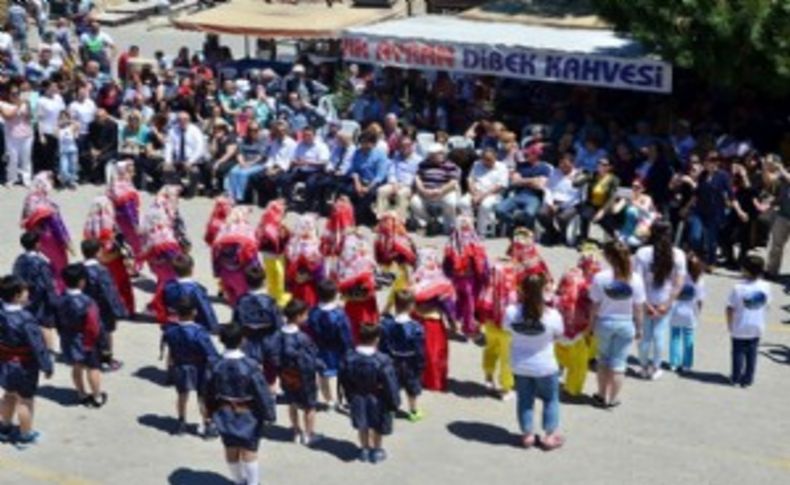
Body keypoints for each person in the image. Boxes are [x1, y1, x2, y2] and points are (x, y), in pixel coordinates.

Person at [203, 324, 276, 485]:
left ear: (221, 340)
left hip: (223, 412)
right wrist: (270, 414)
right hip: (249, 413)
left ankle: (237, 480)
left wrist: (208, 412)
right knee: (249, 450)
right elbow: (261, 392)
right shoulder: (251, 365)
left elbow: (207, 391)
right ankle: (253, 483)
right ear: (243, 341)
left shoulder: (214, 364)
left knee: (230, 447)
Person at [505, 274, 565, 450]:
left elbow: (506, 328)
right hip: (545, 365)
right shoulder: (552, 315)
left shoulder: (511, 312)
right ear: (544, 291)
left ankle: (527, 435)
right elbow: (559, 334)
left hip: (520, 364)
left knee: (524, 399)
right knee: (550, 399)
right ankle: (549, 435)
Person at [589, 241, 646, 408]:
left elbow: (595, 305)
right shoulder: (635, 279)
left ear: (608, 257)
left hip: (605, 322)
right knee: (619, 364)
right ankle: (613, 399)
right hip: (626, 322)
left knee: (603, 361)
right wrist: (640, 327)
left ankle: (601, 394)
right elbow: (638, 307)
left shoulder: (600, 277)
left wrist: (591, 325)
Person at [0, 275, 54, 449]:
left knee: (8, 394)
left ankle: (5, 426)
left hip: (4, 363)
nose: (28, 294)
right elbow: (37, 346)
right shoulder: (26, 319)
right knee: (25, 400)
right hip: (24, 366)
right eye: (25, 292)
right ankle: (25, 435)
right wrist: (47, 365)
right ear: (16, 296)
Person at [339, 323, 401, 464]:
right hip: (377, 398)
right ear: (377, 339)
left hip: (357, 396)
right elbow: (390, 384)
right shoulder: (382, 360)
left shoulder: (349, 357)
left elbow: (344, 380)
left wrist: (349, 396)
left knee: (362, 424)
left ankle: (364, 449)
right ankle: (377, 450)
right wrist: (394, 402)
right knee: (378, 425)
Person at [634, 221, 686, 380]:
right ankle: (656, 367)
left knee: (644, 335)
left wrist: (645, 304)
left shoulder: (642, 253)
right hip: (665, 301)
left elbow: (638, 280)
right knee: (659, 335)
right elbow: (679, 283)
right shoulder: (678, 254)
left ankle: (643, 366)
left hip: (645, 300)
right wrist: (667, 304)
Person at [162, 296, 220, 437]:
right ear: (194, 312)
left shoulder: (170, 331)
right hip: (199, 367)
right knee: (202, 397)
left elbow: (170, 351)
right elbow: (210, 353)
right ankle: (207, 424)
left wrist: (169, 367)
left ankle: (181, 421)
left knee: (182, 395)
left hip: (181, 366)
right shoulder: (199, 332)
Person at [54, 264, 107, 408]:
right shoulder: (88, 301)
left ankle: (81, 393)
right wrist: (103, 343)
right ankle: (97, 396)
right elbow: (95, 325)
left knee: (76, 366)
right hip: (86, 339)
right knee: (93, 368)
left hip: (68, 337)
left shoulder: (60, 299)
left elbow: (56, 320)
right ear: (82, 281)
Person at [553, 246, 602, 397]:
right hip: (581, 329)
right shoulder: (590, 284)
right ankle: (572, 388)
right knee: (578, 363)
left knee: (559, 354)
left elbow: (556, 294)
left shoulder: (568, 278)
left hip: (561, 327)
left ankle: (556, 376)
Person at [274, 299, 323, 445]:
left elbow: (273, 354)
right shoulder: (303, 338)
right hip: (304, 377)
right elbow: (311, 357)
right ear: (298, 316)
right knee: (310, 406)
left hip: (286, 375)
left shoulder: (278, 335)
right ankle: (309, 434)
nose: (307, 317)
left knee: (292, 403)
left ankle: (296, 431)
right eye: (305, 314)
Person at [80, 238, 129, 372]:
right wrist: (119, 310)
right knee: (106, 334)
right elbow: (110, 291)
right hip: (102, 308)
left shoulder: (79, 268)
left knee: (89, 333)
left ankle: (90, 357)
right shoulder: (101, 271)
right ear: (98, 252)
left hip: (84, 307)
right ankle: (106, 360)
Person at [412, 247, 456, 392]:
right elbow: (448, 304)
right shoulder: (441, 280)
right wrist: (452, 322)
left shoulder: (414, 277)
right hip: (433, 321)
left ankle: (417, 377)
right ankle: (433, 381)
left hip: (415, 318)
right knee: (434, 353)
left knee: (417, 350)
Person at [232, 266, 284, 390]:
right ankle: (271, 393)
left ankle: (254, 391)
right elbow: (278, 323)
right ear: (264, 281)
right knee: (270, 371)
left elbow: (236, 322)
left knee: (250, 368)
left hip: (249, 339)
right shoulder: (270, 301)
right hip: (269, 339)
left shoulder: (241, 300)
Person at [20, 172, 72, 293]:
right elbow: (56, 225)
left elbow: (24, 221)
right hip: (51, 240)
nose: (52, 183)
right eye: (51, 181)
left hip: (36, 241)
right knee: (59, 267)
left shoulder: (30, 199)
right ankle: (60, 292)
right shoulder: (44, 202)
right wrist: (67, 242)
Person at [379, 290, 426, 420]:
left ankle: (391, 407)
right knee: (411, 387)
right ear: (411, 306)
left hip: (392, 361)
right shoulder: (416, 327)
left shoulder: (386, 325)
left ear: (395, 304)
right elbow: (419, 349)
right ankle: (413, 411)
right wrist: (421, 364)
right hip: (410, 363)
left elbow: (383, 346)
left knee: (393, 385)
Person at [307, 279, 353, 409]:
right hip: (337, 350)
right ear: (335, 294)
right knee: (340, 374)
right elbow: (346, 335)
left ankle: (328, 399)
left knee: (323, 375)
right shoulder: (339, 314)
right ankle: (341, 398)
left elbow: (309, 332)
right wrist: (348, 349)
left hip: (319, 349)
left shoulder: (313, 312)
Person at [476, 257, 517, 400]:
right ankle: (506, 388)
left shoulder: (489, 286)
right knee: (507, 358)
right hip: (508, 328)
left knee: (490, 349)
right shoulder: (512, 288)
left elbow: (482, 303)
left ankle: (488, 378)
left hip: (490, 323)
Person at [726, 255, 771, 388]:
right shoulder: (766, 286)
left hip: (740, 325)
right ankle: (748, 379)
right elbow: (767, 305)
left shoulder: (738, 287)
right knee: (752, 353)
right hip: (757, 325)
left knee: (738, 352)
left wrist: (730, 324)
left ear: (745, 271)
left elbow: (730, 308)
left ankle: (735, 377)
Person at [443, 215, 489, 339]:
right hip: (469, 279)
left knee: (457, 301)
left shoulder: (452, 241)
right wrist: (485, 277)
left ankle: (456, 323)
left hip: (456, 278)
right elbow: (482, 261)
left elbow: (446, 261)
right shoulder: (473, 240)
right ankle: (468, 327)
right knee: (469, 303)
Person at [12, 232, 58, 351]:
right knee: (45, 325)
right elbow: (47, 283)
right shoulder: (41, 262)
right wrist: (54, 299)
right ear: (37, 244)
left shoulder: (19, 260)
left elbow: (15, 276)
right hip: (40, 298)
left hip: (23, 297)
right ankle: (49, 351)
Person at [495, 143, 551, 234]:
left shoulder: (544, 168)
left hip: (534, 197)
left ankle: (528, 232)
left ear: (536, 155)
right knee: (499, 210)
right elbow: (514, 181)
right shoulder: (522, 165)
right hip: (518, 195)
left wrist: (522, 181)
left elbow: (540, 185)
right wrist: (532, 180)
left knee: (529, 213)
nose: (525, 155)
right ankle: (515, 224)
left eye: (528, 154)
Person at [688, 151, 732, 266]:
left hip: (715, 212)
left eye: (713, 161)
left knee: (712, 241)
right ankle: (697, 258)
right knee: (695, 236)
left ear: (717, 163)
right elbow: (696, 194)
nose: (710, 163)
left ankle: (711, 261)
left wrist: (739, 210)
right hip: (700, 211)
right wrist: (686, 207)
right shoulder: (702, 175)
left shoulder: (723, 176)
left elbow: (730, 194)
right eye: (707, 161)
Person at [211, 207, 262, 306]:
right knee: (244, 298)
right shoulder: (247, 230)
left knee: (232, 298)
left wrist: (217, 272)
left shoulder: (223, 230)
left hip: (225, 272)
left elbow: (215, 252)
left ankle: (235, 314)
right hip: (241, 273)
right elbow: (252, 254)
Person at [337, 230, 379, 343]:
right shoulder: (369, 263)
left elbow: (341, 292)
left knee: (352, 333)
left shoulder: (344, 265)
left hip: (353, 306)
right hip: (367, 307)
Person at [340, 131, 390, 225]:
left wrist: (368, 187)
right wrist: (357, 183)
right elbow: (353, 170)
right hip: (360, 180)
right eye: (362, 143)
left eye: (367, 143)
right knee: (348, 190)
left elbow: (380, 176)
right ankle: (347, 214)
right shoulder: (357, 153)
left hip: (374, 182)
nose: (364, 145)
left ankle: (357, 218)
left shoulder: (380, 155)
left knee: (368, 194)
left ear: (373, 143)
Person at [410, 143, 461, 235]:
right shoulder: (423, 164)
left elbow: (453, 182)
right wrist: (422, 190)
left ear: (442, 154)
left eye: (436, 155)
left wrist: (440, 190)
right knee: (414, 201)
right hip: (426, 192)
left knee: (451, 202)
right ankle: (429, 222)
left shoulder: (450, 165)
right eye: (431, 155)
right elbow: (417, 178)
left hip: (444, 192)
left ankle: (449, 226)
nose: (433, 157)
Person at [458, 148, 509, 237]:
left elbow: (501, 185)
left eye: (490, 160)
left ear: (495, 157)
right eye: (485, 159)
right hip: (476, 191)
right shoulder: (477, 164)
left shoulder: (502, 167)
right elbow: (470, 179)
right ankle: (469, 230)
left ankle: (481, 232)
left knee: (485, 205)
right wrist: (474, 193)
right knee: (463, 203)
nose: (487, 162)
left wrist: (482, 196)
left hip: (493, 194)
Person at [163, 254, 219, 334]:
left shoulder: (168, 286)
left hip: (174, 323)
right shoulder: (196, 289)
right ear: (192, 269)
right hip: (193, 326)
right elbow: (205, 308)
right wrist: (213, 326)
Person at [669, 252, 705, 372]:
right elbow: (700, 300)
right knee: (688, 338)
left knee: (675, 337)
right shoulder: (699, 280)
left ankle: (674, 363)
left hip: (676, 311)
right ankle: (687, 364)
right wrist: (698, 312)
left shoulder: (678, 276)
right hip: (690, 313)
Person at [374, 211, 417, 313]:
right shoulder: (401, 239)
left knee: (397, 290)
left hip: (387, 269)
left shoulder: (379, 237)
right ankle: (389, 310)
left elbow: (378, 258)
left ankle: (387, 309)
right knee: (400, 290)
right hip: (397, 269)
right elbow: (409, 258)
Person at [538, 152, 582, 246]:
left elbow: (576, 196)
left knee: (562, 218)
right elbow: (548, 188)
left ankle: (563, 235)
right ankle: (552, 233)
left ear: (572, 164)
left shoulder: (578, 175)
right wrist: (550, 203)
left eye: (566, 164)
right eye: (561, 163)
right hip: (553, 202)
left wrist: (560, 206)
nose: (563, 166)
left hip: (570, 204)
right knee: (542, 214)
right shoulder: (554, 172)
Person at [284, 125, 330, 213]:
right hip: (301, 169)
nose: (306, 137)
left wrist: (308, 162)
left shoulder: (321, 146)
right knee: (285, 179)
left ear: (314, 136)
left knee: (311, 183)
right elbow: (293, 158)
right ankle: (290, 202)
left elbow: (323, 162)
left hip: (315, 171)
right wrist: (296, 162)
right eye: (304, 135)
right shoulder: (300, 145)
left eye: (309, 135)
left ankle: (308, 205)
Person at [107, 161, 143, 272]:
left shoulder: (115, 184)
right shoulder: (124, 189)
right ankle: (134, 268)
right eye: (130, 171)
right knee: (134, 245)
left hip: (116, 219)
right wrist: (135, 225)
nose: (134, 173)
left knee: (120, 243)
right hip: (126, 222)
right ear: (123, 172)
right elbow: (128, 209)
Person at [376, 135, 420, 220]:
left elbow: (416, 176)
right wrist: (393, 183)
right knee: (381, 191)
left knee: (401, 194)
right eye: (403, 146)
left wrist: (403, 185)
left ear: (412, 146)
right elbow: (391, 171)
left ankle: (400, 221)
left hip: (408, 186)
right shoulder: (396, 157)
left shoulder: (418, 160)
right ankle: (381, 219)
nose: (405, 148)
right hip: (394, 183)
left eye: (408, 145)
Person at [252, 120, 295, 208]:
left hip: (284, 168)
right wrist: (268, 168)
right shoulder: (275, 142)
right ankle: (265, 199)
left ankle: (277, 200)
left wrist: (275, 170)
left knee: (273, 178)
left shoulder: (292, 144)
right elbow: (271, 157)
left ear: (286, 131)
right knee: (256, 177)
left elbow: (288, 162)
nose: (280, 133)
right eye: (278, 131)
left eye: (282, 131)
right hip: (272, 166)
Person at [256, 199, 291, 307]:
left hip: (267, 255)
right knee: (278, 276)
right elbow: (283, 240)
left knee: (270, 276)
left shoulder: (264, 222)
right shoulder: (276, 226)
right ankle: (278, 298)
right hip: (276, 256)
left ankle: (272, 296)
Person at [284, 214, 324, 308]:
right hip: (310, 285)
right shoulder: (316, 244)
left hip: (296, 284)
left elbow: (288, 264)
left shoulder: (293, 243)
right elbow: (320, 271)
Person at [164, 111, 206, 197]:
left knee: (194, 171)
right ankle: (178, 188)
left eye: (185, 119)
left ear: (189, 120)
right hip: (178, 159)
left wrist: (190, 161)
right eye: (180, 119)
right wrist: (168, 161)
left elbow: (200, 148)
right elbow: (168, 146)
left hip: (193, 159)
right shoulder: (172, 130)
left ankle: (191, 192)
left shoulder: (195, 131)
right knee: (166, 169)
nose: (182, 121)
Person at [577, 158, 620, 242]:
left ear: (609, 167)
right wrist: (580, 176)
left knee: (606, 223)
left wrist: (602, 211)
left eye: (604, 165)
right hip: (592, 204)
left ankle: (615, 240)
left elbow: (612, 197)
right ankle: (583, 239)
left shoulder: (614, 179)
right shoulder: (593, 175)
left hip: (605, 206)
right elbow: (576, 184)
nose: (600, 166)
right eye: (599, 163)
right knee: (584, 215)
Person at [1, 83, 34, 187]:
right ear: (9, 95)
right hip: (12, 136)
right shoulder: (3, 104)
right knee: (13, 159)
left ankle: (26, 179)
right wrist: (18, 105)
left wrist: (28, 105)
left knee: (26, 158)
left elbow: (30, 117)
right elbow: (7, 116)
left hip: (26, 135)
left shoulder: (24, 104)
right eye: (13, 93)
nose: (15, 95)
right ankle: (12, 179)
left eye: (17, 93)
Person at [226, 121, 267, 204]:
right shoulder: (244, 140)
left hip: (258, 164)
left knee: (243, 174)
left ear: (259, 130)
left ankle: (239, 197)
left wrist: (250, 164)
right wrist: (241, 162)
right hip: (244, 162)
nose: (253, 132)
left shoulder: (263, 140)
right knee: (233, 172)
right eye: (251, 130)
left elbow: (261, 156)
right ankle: (231, 196)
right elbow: (239, 153)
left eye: (255, 130)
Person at [765, 156, 790, 279]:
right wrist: (766, 167)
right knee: (776, 245)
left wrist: (781, 169)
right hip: (784, 214)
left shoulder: (785, 172)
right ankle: (772, 271)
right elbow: (770, 180)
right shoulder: (787, 171)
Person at [84, 107, 118, 184]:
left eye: (99, 117)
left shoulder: (113, 125)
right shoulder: (91, 125)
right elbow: (89, 139)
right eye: (96, 117)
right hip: (95, 148)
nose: (97, 118)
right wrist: (92, 148)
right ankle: (89, 175)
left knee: (102, 158)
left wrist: (100, 151)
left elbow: (113, 142)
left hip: (109, 149)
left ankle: (100, 177)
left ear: (105, 116)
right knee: (83, 156)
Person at [57, 109, 80, 188]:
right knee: (64, 168)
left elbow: (77, 127)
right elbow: (55, 134)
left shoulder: (72, 126)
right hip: (63, 151)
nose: (64, 119)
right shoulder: (58, 128)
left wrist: (70, 121)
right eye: (62, 117)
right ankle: (65, 179)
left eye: (65, 117)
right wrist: (61, 124)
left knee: (73, 167)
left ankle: (71, 181)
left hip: (72, 150)